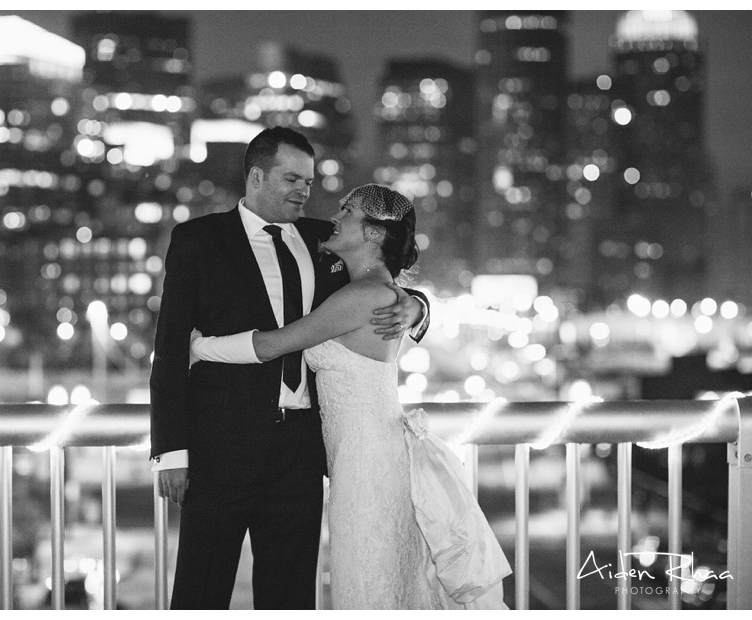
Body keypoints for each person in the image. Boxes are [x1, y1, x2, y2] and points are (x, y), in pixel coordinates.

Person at [191, 184, 511, 609]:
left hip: (366, 461)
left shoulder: (362, 296)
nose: (335, 216)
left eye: (348, 210)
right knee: (384, 575)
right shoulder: (361, 286)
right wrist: (417, 303)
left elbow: (272, 346)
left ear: (375, 234)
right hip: (362, 455)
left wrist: (197, 347)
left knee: (365, 578)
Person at [149, 127, 430, 609]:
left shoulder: (328, 240)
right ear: (256, 176)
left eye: (309, 180)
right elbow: (171, 346)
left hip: (300, 452)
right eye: (292, 179)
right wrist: (171, 452)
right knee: (201, 590)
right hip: (221, 445)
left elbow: (382, 274)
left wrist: (418, 307)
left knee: (290, 597)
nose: (305, 191)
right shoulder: (199, 240)